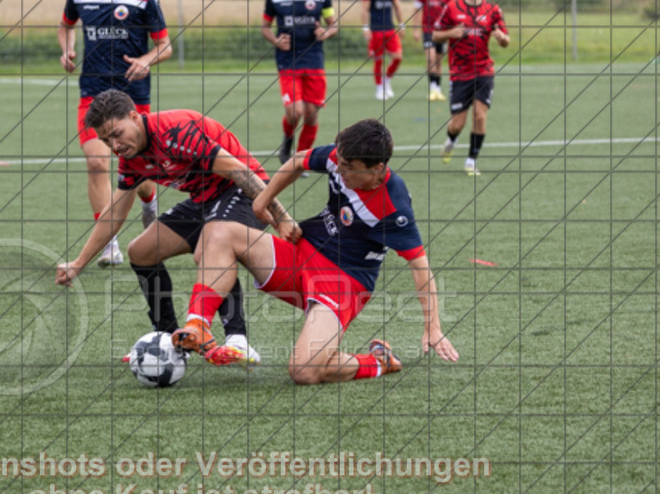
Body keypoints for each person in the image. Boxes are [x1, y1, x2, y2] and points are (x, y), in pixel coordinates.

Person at [174, 118, 459, 385]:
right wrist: (264, 200)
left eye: (349, 166)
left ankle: (377, 362)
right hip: (302, 254)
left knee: (304, 371)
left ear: (377, 169)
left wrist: (432, 328)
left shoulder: (393, 207)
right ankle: (198, 324)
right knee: (218, 231)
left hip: (343, 283)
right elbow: (297, 161)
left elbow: (420, 266)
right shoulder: (340, 156)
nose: (340, 168)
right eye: (340, 161)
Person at [55, 89, 291, 367]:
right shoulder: (131, 158)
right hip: (204, 199)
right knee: (140, 251)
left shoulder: (175, 131)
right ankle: (169, 340)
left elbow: (240, 172)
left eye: (117, 134)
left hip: (243, 193)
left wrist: (282, 217)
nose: (114, 145)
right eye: (106, 140)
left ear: (134, 117)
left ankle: (237, 341)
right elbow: (114, 212)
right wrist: (79, 263)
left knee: (209, 247)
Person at [59, 0, 168, 268]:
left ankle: (149, 205)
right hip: (92, 93)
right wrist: (67, 49)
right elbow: (65, 25)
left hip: (133, 96)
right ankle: (110, 244)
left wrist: (145, 60)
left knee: (140, 175)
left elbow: (165, 45)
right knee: (96, 164)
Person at [262, 0, 338, 164]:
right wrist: (276, 41)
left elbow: (333, 24)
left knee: (311, 114)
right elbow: (265, 28)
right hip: (288, 60)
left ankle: (301, 159)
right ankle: (288, 141)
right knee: (295, 112)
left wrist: (325, 33)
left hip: (314, 58)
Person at [434, 0, 510, 176]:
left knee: (480, 115)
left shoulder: (493, 10)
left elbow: (505, 39)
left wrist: (502, 38)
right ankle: (450, 141)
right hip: (459, 74)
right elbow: (435, 35)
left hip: (484, 71)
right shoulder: (451, 8)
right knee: (458, 123)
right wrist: (451, 32)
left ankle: (471, 161)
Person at [361, 0, 406, 100]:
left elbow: (398, 7)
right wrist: (365, 27)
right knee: (378, 60)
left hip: (390, 29)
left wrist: (402, 24)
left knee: (398, 57)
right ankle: (379, 87)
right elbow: (365, 9)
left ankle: (387, 80)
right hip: (376, 30)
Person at [413, 0, 453, 101]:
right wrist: (415, 30)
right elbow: (417, 11)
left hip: (442, 32)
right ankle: (432, 88)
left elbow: (451, 12)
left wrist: (451, 30)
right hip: (428, 30)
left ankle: (438, 90)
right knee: (430, 58)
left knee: (439, 61)